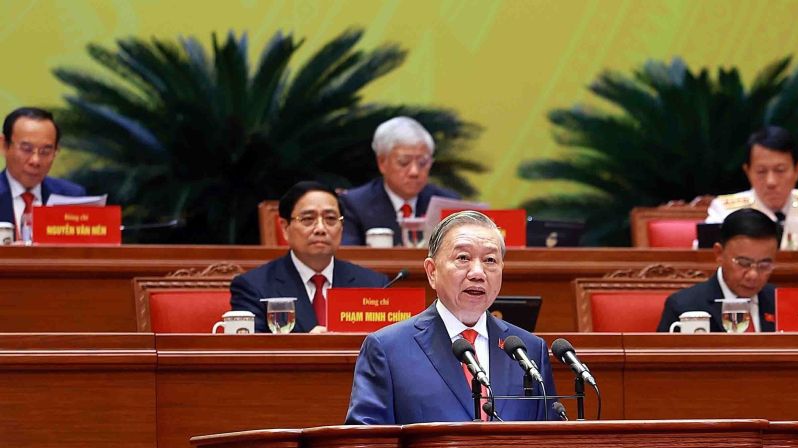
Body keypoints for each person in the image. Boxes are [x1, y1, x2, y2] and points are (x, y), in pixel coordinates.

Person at [345, 211, 556, 424]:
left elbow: (550, 445)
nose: (477, 273)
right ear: (432, 271)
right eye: (463, 258)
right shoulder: (387, 348)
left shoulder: (530, 350)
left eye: (490, 260)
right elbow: (366, 446)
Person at [231, 181, 388, 333]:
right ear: (285, 227)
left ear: (342, 227)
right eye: (308, 219)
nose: (320, 228)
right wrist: (306, 345)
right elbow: (250, 352)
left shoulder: (374, 285)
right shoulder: (254, 287)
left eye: (331, 219)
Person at [705, 125, 798, 250]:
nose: (771, 182)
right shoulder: (724, 211)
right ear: (748, 171)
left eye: (780, 170)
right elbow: (706, 258)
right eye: (761, 171)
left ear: (797, 170)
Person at [340, 116, 461, 246]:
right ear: (382, 163)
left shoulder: (448, 204)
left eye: (422, 162)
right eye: (404, 162)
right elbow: (350, 258)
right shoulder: (354, 204)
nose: (414, 172)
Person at [657, 208, 780, 333]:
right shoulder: (684, 306)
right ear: (719, 253)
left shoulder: (782, 303)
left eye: (764, 265)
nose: (753, 275)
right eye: (744, 263)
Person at [0, 107, 86, 229]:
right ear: (4, 145)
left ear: (56, 151)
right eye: (26, 149)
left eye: (45, 151)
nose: (35, 160)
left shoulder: (72, 197)